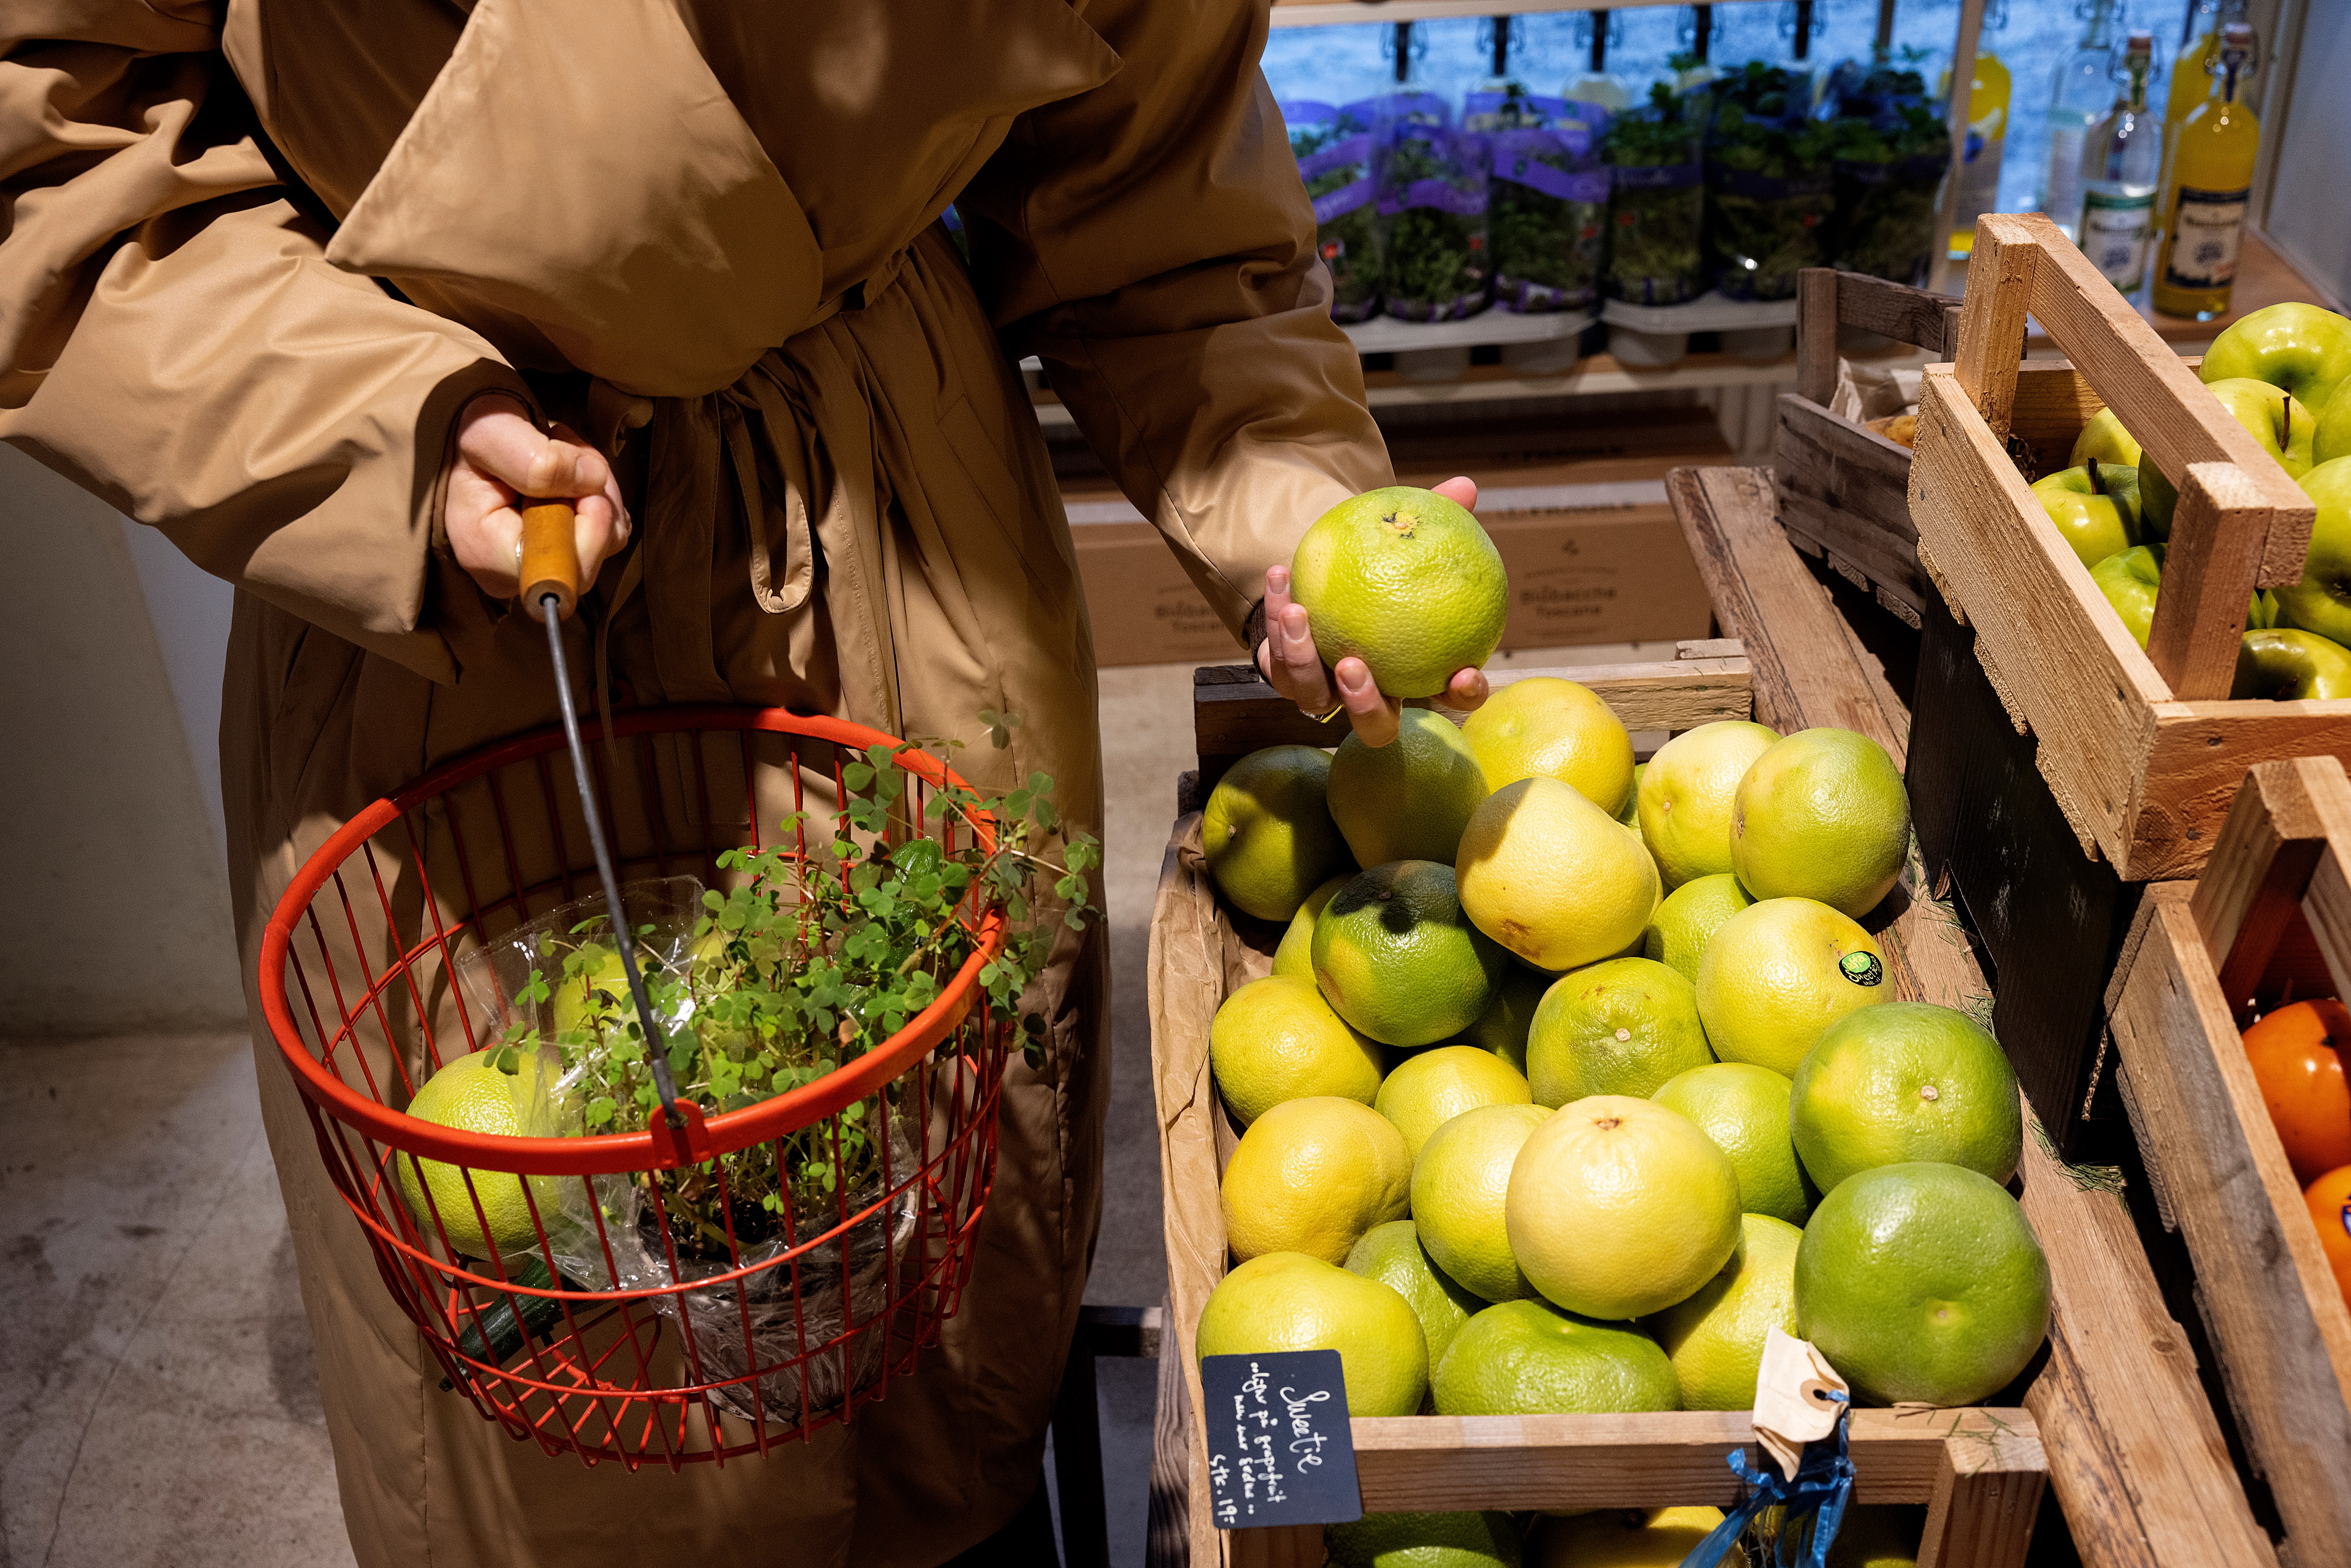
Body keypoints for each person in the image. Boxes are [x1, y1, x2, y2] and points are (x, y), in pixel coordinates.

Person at [0, 4, 1485, 1564]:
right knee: (573, 1353)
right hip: (482, 593)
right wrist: (384, 430)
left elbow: (1156, 182)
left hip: (904, 529)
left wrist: (1291, 500)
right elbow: (51, 149)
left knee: (945, 1322)